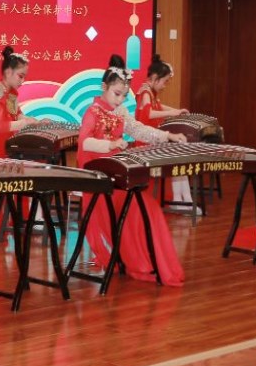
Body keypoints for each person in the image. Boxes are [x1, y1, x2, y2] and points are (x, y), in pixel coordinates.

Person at [76, 55, 188, 286]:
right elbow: (84, 142)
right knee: (140, 209)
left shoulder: (119, 113)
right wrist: (110, 145)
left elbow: (139, 129)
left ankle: (147, 261)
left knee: (148, 210)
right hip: (99, 180)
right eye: (116, 94)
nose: (120, 100)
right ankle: (137, 259)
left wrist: (167, 135)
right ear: (104, 87)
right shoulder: (92, 112)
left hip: (117, 177)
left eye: (124, 96)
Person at [0, 46, 43, 229]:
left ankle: (24, 219)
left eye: (24, 77)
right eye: (20, 76)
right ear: (8, 72)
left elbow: (17, 114)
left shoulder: (11, 94)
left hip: (9, 148)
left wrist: (31, 120)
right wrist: (24, 123)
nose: (23, 81)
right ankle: (11, 222)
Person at [134, 55, 197, 215]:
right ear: (155, 78)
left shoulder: (150, 92)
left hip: (153, 140)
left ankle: (184, 199)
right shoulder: (145, 92)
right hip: (146, 144)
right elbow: (148, 113)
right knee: (179, 155)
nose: (165, 85)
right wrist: (172, 113)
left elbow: (159, 106)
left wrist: (176, 111)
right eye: (165, 81)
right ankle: (181, 200)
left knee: (180, 153)